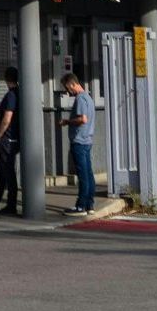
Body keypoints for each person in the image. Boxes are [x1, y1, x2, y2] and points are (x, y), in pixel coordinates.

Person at [59, 70, 99, 214]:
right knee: (88, 174)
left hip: (79, 141)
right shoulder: (89, 98)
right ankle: (90, 205)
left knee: (83, 175)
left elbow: (83, 119)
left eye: (67, 87)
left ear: (72, 84)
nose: (67, 91)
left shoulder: (81, 99)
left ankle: (80, 206)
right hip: (87, 140)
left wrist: (67, 121)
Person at [0, 66, 22, 214]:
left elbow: (7, 118)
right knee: (3, 171)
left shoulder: (11, 96)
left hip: (7, 139)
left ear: (7, 79)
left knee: (8, 172)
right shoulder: (20, 93)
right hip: (14, 138)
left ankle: (11, 205)